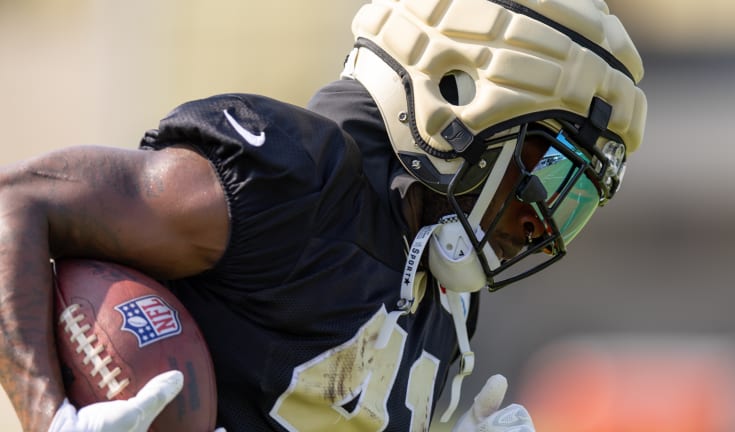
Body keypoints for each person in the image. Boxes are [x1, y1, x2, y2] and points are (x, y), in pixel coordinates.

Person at [0, 0, 647, 430]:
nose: (545, 222)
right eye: (552, 170)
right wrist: (48, 414)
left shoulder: (442, 295)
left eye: (581, 196)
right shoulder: (295, 181)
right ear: (460, 95)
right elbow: (15, 203)